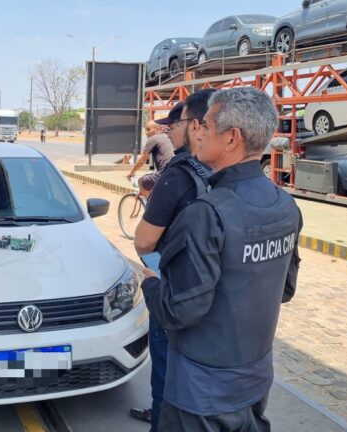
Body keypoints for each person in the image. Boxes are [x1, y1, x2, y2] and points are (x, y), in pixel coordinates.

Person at [142, 87, 302, 431]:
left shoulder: (207, 214)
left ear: (231, 138)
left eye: (207, 124)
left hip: (201, 394)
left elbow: (181, 310)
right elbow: (285, 290)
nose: (197, 131)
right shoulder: (285, 205)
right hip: (255, 378)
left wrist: (150, 284)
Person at [130, 90, 216, 430]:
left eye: (174, 124)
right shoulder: (218, 172)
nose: (168, 130)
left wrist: (153, 274)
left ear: (195, 127)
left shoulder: (177, 174)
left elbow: (143, 240)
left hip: (171, 290)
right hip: (207, 295)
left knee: (164, 377)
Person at [126, 120, 175, 199]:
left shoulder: (153, 139)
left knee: (141, 181)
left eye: (148, 129)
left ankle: (150, 208)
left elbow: (142, 160)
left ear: (157, 129)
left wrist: (131, 172)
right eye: (145, 129)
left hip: (164, 173)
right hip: (173, 171)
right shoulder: (167, 137)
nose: (146, 132)